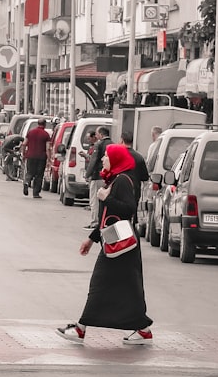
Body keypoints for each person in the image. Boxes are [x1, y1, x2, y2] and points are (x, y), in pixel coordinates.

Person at [56, 142, 153, 345]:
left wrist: (105, 198)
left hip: (120, 244)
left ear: (116, 160)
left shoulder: (123, 181)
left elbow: (128, 210)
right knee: (129, 287)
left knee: (100, 284)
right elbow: (107, 218)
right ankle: (143, 329)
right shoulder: (116, 180)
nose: (102, 159)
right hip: (116, 241)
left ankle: (81, 328)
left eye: (107, 157)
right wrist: (91, 239)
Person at [83, 125, 112, 231]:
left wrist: (88, 174)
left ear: (101, 134)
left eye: (97, 133)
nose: (97, 135)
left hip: (98, 176)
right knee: (105, 200)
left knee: (94, 200)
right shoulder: (113, 144)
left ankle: (95, 222)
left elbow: (93, 161)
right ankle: (104, 221)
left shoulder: (99, 144)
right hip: (109, 177)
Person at [120, 130, 150, 225]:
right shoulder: (139, 157)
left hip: (119, 190)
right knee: (131, 216)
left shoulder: (118, 155)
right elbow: (145, 177)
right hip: (134, 191)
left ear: (121, 140)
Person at [21, 118, 51, 198]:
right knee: (39, 175)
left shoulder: (30, 132)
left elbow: (24, 144)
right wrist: (49, 158)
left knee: (30, 172)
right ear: (44, 124)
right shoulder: (46, 134)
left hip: (30, 156)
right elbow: (47, 148)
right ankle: (36, 193)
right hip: (41, 157)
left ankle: (27, 182)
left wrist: (24, 154)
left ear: (38, 123)